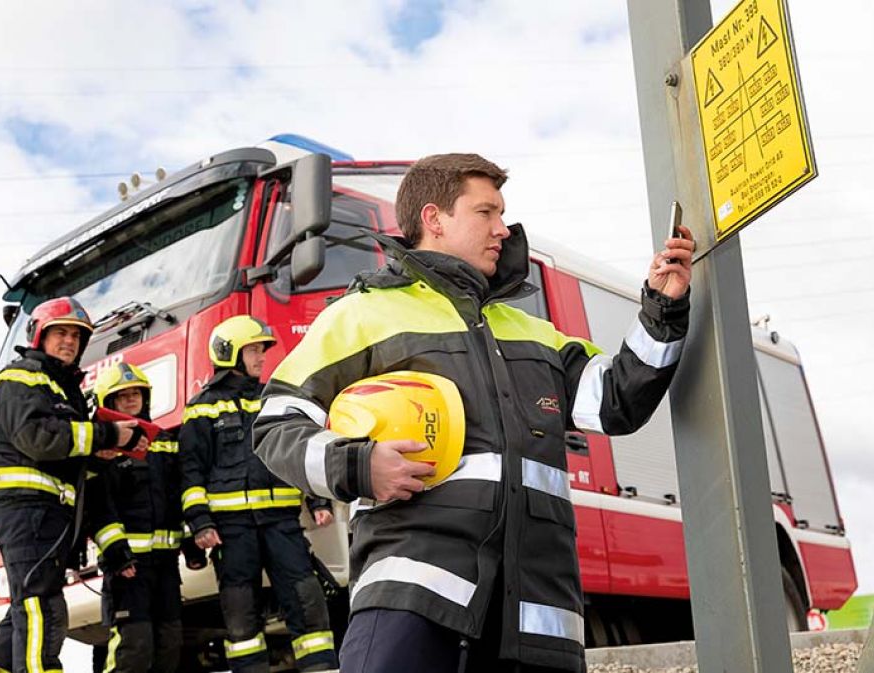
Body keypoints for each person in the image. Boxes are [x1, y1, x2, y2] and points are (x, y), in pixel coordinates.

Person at [253, 153, 695, 673]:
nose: (503, 230)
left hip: (537, 614)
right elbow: (277, 424)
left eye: (502, 214)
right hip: (413, 599)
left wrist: (662, 309)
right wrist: (358, 465)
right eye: (486, 213)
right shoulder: (361, 315)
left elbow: (616, 401)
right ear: (434, 219)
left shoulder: (532, 331)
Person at [0, 297, 146, 673]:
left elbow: (59, 450)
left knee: (26, 607)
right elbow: (37, 437)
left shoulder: (62, 388)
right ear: (40, 335)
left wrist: (96, 455)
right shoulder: (20, 377)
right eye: (60, 333)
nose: (69, 341)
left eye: (76, 335)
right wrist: (105, 434)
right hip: (28, 511)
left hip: (46, 514)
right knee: (43, 606)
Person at [179, 315, 339, 673]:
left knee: (306, 598)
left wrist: (316, 500)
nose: (261, 357)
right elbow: (191, 471)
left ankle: (323, 668)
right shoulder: (202, 406)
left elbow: (295, 449)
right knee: (240, 612)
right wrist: (200, 522)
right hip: (231, 530)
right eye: (253, 349)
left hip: (281, 522)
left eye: (260, 350)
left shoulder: (273, 397)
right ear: (229, 352)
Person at [87, 362, 207, 673]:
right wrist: (116, 554)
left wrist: (191, 544)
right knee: (133, 647)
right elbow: (99, 506)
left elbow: (176, 498)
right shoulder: (104, 449)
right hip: (128, 569)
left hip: (165, 566)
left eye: (135, 393)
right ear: (108, 403)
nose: (130, 400)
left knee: (169, 644)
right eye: (121, 395)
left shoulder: (165, 441)